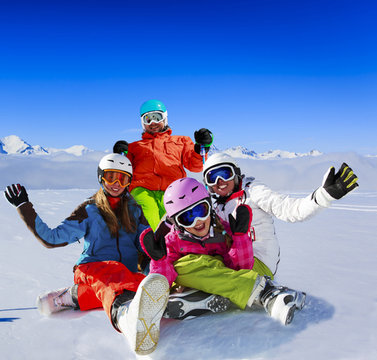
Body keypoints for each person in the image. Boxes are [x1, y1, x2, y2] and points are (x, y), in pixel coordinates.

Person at [4, 153, 169, 355]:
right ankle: (124, 316)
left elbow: (143, 240)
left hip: (123, 274)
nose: (116, 184)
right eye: (110, 177)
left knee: (140, 279)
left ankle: (72, 296)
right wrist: (24, 207)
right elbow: (52, 238)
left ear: (129, 181)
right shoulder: (89, 209)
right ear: (101, 177)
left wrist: (156, 249)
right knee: (116, 275)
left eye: (122, 178)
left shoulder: (134, 210)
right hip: (92, 268)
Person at [140, 177, 307, 325]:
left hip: (225, 276)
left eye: (201, 211)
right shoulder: (172, 242)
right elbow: (163, 282)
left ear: (210, 208)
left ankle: (263, 292)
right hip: (197, 281)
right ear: (178, 224)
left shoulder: (223, 231)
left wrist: (240, 238)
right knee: (180, 268)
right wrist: (159, 261)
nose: (197, 221)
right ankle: (214, 294)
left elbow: (241, 268)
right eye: (187, 217)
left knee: (186, 266)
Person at [202, 153, 360, 277]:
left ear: (235, 173)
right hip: (234, 260)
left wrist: (323, 196)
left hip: (258, 261)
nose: (219, 181)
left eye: (224, 173)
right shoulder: (217, 207)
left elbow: (290, 209)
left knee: (213, 271)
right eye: (212, 178)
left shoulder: (253, 192)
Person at [113, 99, 213, 231]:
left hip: (173, 189)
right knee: (147, 211)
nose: (152, 123)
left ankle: (176, 243)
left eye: (157, 117)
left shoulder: (181, 141)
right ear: (142, 123)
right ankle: (152, 245)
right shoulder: (135, 147)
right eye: (147, 119)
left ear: (165, 118)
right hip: (142, 188)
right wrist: (120, 154)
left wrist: (201, 148)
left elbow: (195, 166)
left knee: (173, 217)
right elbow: (124, 168)